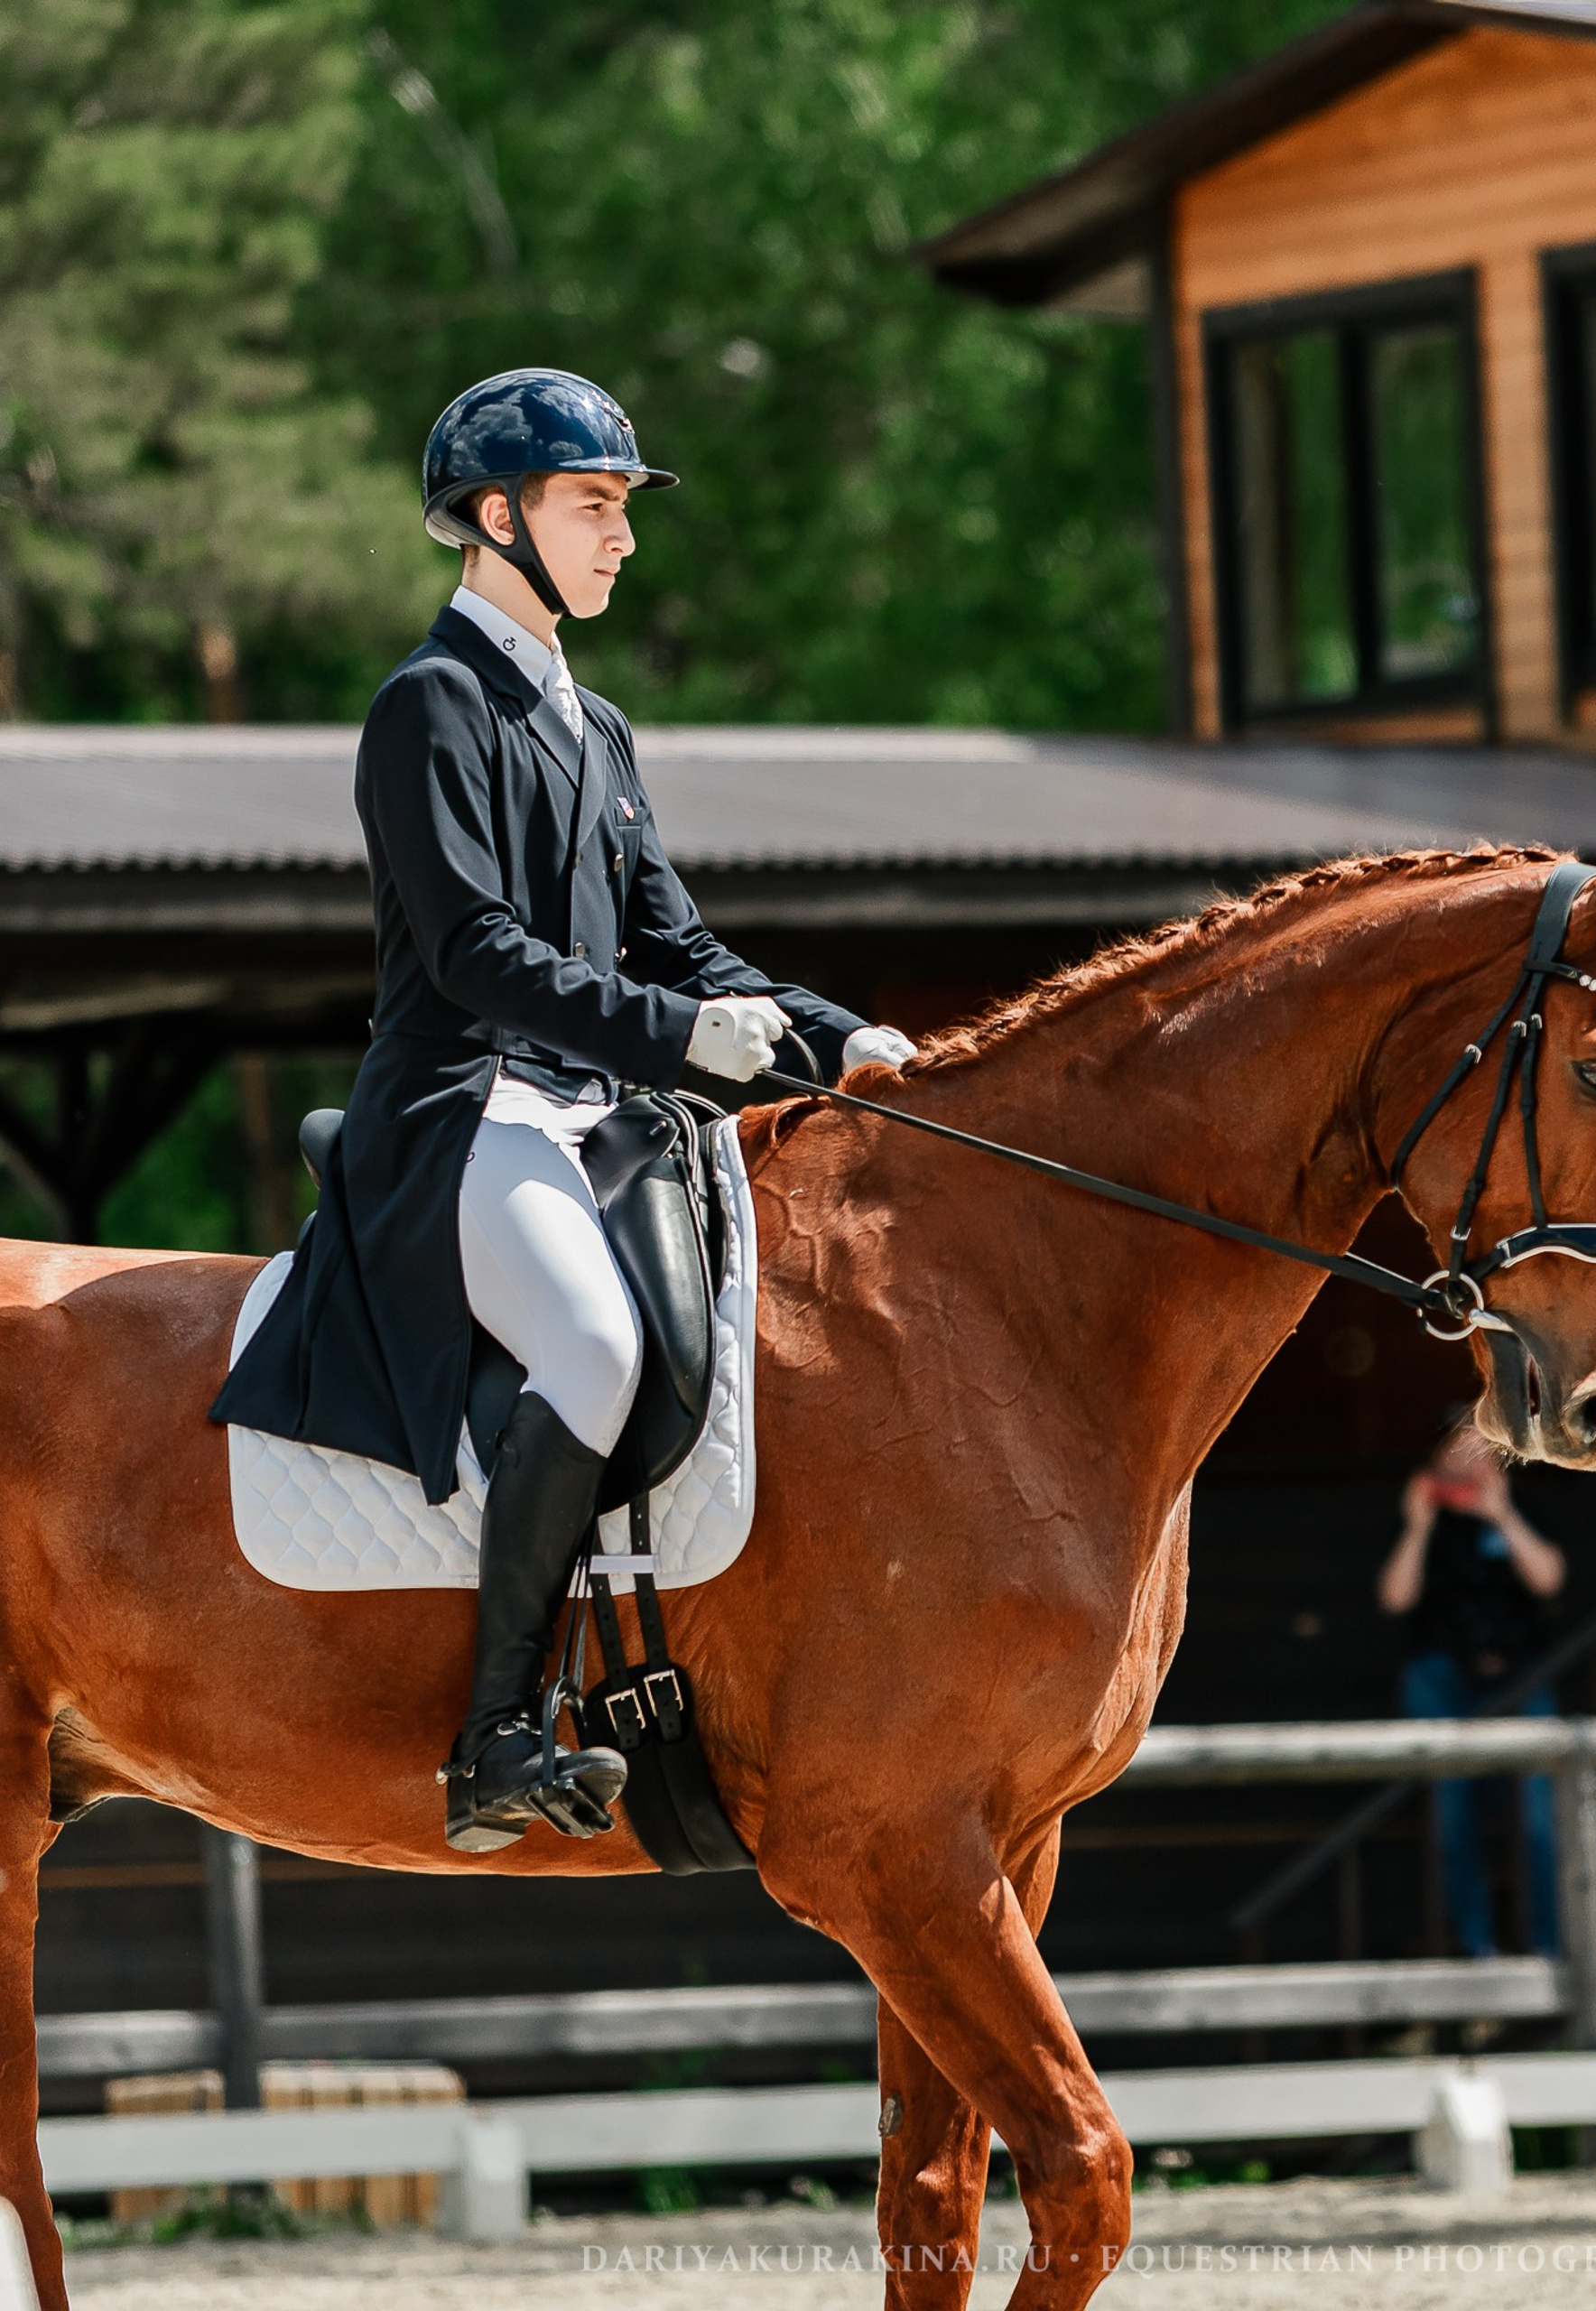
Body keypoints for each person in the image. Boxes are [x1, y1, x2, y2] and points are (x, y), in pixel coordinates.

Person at [212, 369, 918, 1854]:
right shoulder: (429, 708)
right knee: (592, 1346)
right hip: (461, 1110)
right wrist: (681, 1037)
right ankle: (496, 1735)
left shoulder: (593, 726)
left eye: (620, 510)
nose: (624, 539)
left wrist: (841, 1041)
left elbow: (678, 944)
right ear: (495, 518)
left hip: (589, 1122)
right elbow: (475, 953)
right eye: (594, 507)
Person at [1377, 1413, 1564, 1959]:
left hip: (1517, 1675)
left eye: (1485, 1453)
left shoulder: (1518, 1511)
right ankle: (1478, 1945)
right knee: (1451, 1820)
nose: (1470, 1465)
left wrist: (1502, 1515)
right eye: (1459, 1453)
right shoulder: (1425, 1523)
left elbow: (1549, 1578)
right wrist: (1417, 1524)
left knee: (1537, 1821)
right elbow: (1394, 1598)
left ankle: (1546, 1945)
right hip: (1442, 1679)